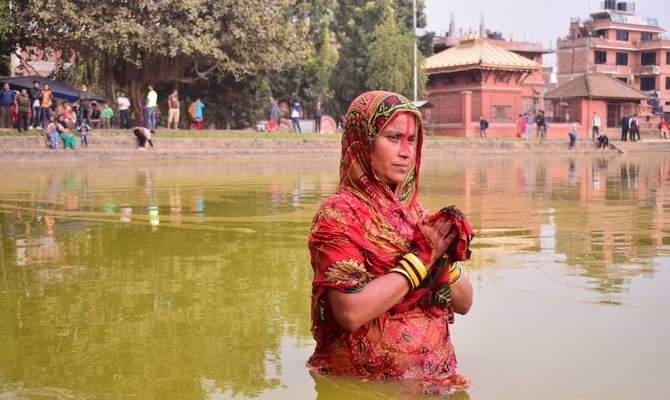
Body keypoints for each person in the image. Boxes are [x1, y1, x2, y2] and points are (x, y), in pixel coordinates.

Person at [307, 91, 473, 391]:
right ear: (363, 142)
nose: (406, 152)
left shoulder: (418, 216)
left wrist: (443, 256)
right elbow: (350, 312)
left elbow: (464, 302)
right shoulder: (339, 215)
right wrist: (421, 259)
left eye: (411, 141)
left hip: (436, 386)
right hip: (360, 389)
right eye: (394, 138)